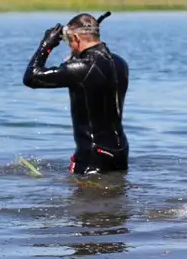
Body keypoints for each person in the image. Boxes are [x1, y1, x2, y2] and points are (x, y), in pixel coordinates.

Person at [22, 12, 130, 176]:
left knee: (82, 200)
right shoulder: (120, 63)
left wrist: (46, 45)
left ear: (77, 39)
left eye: (69, 42)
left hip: (93, 153)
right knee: (115, 199)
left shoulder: (82, 68)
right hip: (120, 151)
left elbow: (31, 77)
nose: (70, 47)